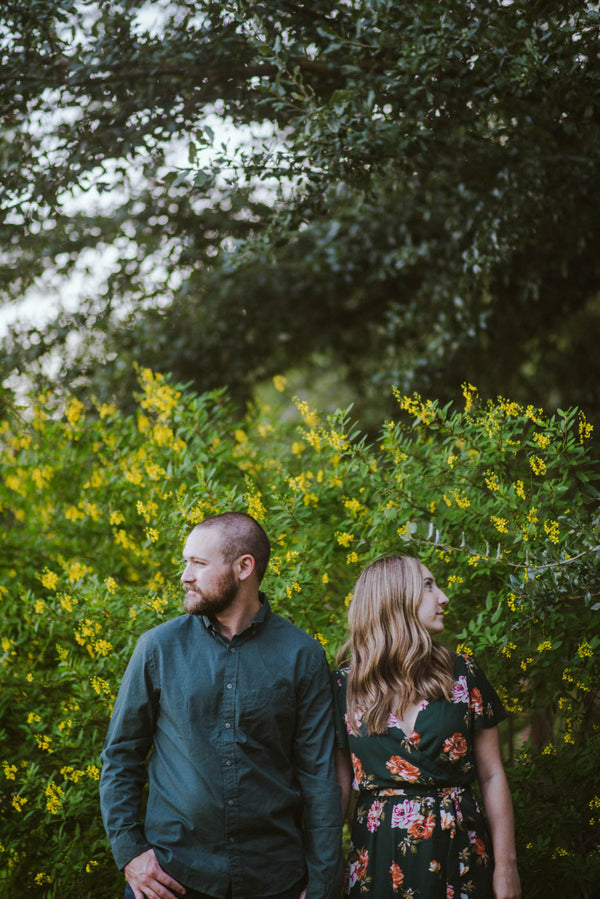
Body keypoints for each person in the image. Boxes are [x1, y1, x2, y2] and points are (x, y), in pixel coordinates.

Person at [100, 511, 342, 899]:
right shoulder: (158, 648)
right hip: (169, 879)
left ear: (244, 567)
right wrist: (131, 853)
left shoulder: (303, 656)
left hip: (274, 880)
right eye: (185, 563)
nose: (185, 575)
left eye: (198, 563)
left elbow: (320, 778)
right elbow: (121, 757)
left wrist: (323, 882)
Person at [332, 555, 521, 899]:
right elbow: (338, 786)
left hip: (460, 852)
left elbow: (492, 775)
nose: (443, 597)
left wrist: (507, 866)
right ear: (394, 597)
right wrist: (324, 870)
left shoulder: (463, 673)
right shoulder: (345, 687)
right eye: (429, 586)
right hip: (378, 857)